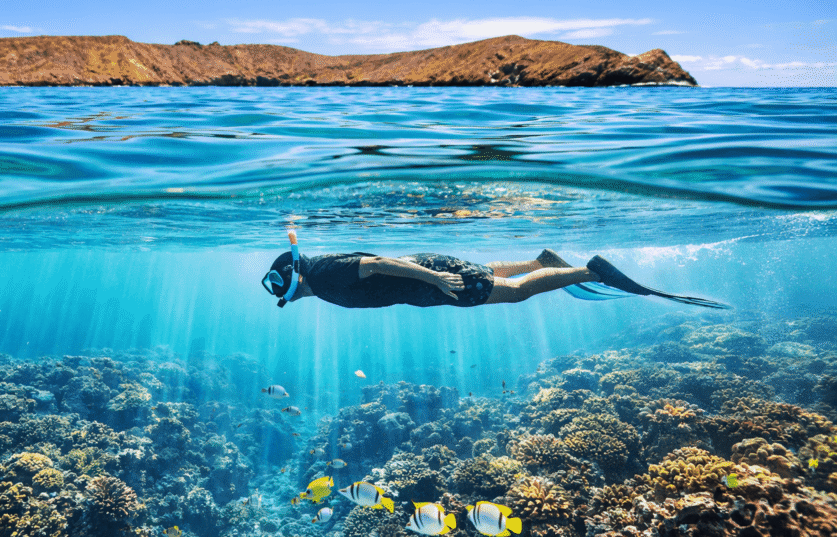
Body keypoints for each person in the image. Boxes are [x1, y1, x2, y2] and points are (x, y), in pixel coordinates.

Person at [261, 231, 728, 310]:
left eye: (288, 294)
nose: (293, 300)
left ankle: (588, 272)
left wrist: (436, 281)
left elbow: (377, 263)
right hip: (428, 275)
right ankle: (544, 261)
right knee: (489, 270)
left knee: (516, 292)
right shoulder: (319, 278)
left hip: (431, 282)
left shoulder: (322, 275)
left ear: (293, 278)